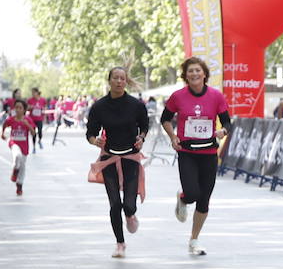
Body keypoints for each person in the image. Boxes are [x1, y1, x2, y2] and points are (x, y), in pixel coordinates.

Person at [161, 56, 231, 256]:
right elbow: (165, 119)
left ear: (204, 74)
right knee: (192, 193)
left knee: (204, 200)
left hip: (209, 152)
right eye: (190, 71)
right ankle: (183, 198)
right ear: (186, 75)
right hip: (187, 152)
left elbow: (227, 122)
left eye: (198, 70)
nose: (194, 74)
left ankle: (194, 240)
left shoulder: (216, 96)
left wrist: (222, 132)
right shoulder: (177, 96)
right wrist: (173, 136)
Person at [86, 66, 149, 258]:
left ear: (126, 81)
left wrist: (142, 137)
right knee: (115, 204)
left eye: (123, 78)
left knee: (129, 204)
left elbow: (145, 125)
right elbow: (90, 132)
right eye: (116, 78)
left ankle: (130, 215)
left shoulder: (135, 105)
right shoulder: (99, 106)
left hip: (130, 157)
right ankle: (120, 243)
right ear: (109, 80)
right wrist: (95, 141)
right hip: (109, 158)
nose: (119, 81)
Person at [1, 98, 36, 196]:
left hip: (24, 145)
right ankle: (15, 170)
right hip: (14, 143)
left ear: (24, 110)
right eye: (16, 107)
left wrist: (27, 125)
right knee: (17, 156)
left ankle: (19, 185)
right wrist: (2, 133)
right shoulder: (11, 119)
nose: (17, 110)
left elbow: (33, 133)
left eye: (20, 108)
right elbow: (5, 124)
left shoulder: (28, 120)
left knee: (23, 166)